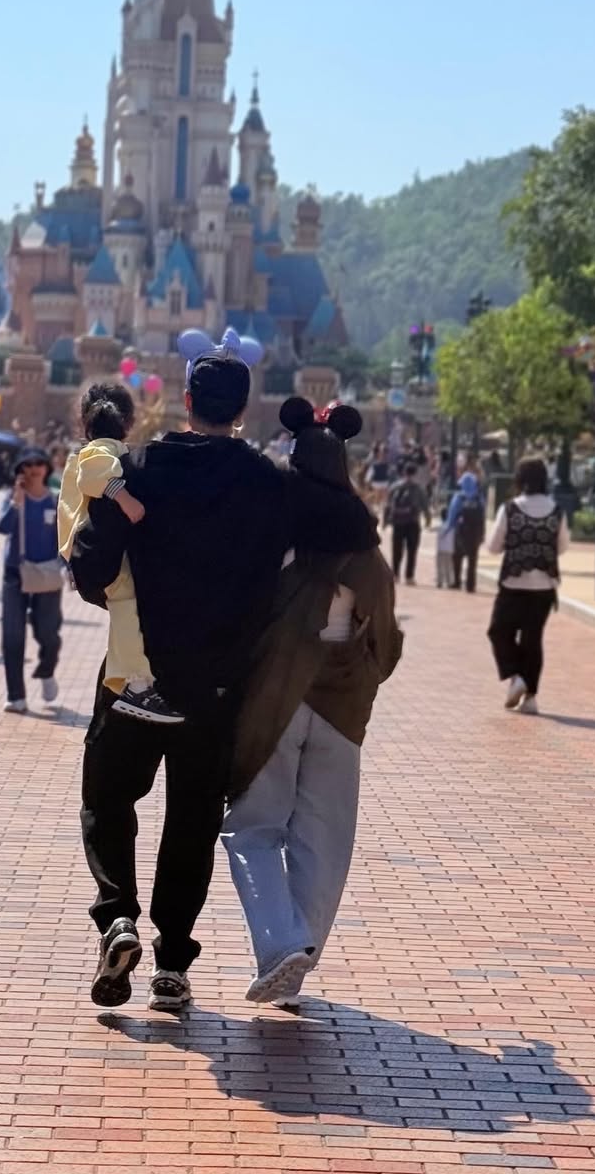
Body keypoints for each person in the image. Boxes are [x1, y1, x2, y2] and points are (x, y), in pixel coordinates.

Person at [70, 342, 377, 1013]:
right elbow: (341, 531)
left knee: (107, 800)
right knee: (192, 819)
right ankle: (172, 962)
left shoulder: (142, 467)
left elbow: (92, 561)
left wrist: (111, 591)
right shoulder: (269, 483)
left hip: (136, 676)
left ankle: (116, 915)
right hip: (216, 687)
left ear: (186, 401)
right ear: (242, 409)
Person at [221, 398, 402, 1007]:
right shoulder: (366, 549)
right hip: (342, 704)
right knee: (325, 837)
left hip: (274, 696)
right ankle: (299, 952)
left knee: (252, 826)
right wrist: (362, 674)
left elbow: (241, 612)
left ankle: (281, 944)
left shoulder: (270, 535)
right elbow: (388, 640)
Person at [57, 384, 151, 708]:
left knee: (124, 607)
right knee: (127, 602)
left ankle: (121, 676)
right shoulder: (102, 449)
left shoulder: (88, 450)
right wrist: (127, 499)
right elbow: (95, 473)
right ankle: (136, 683)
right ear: (127, 423)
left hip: (87, 549)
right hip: (96, 548)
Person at [486, 456, 569, 715]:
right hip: (544, 586)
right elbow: (563, 546)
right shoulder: (557, 510)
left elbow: (493, 546)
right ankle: (530, 696)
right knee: (533, 639)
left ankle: (515, 677)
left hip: (513, 582)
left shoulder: (510, 509)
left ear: (519, 480)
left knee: (499, 631)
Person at [0, 447, 63, 710]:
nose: (33, 469)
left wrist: (68, 568)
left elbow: (65, 539)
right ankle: (16, 695)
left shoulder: (56, 501)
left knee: (47, 632)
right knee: (12, 634)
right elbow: (2, 527)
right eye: (27, 465)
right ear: (20, 470)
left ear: (46, 468)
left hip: (46, 573)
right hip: (15, 573)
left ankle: (46, 670)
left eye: (38, 464)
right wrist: (16, 502)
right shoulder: (13, 498)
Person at [384, 461, 430, 585]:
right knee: (412, 550)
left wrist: (385, 521)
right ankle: (409, 576)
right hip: (413, 522)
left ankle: (395, 574)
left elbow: (388, 505)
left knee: (396, 549)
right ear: (415, 473)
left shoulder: (395, 487)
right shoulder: (419, 488)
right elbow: (425, 506)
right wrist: (427, 519)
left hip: (398, 522)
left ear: (404, 472)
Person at [444, 466, 486, 593]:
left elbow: (452, 516)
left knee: (457, 557)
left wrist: (447, 530)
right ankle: (470, 585)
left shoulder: (459, 498)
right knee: (472, 560)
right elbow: (483, 515)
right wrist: (482, 534)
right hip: (475, 533)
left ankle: (456, 581)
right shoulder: (479, 498)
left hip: (460, 532)